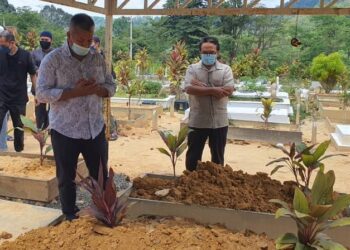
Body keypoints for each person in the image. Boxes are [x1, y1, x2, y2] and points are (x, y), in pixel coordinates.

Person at [36, 14, 116, 221]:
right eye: (81, 40)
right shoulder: (52, 60)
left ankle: (104, 214)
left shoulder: (98, 59)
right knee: (66, 178)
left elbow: (111, 86)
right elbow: (41, 93)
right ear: (69, 35)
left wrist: (99, 89)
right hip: (65, 130)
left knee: (100, 176)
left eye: (89, 40)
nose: (86, 44)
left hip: (94, 128)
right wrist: (73, 92)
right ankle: (70, 215)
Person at [183, 36, 235, 171]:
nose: (208, 55)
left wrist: (201, 88)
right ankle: (190, 183)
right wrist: (214, 89)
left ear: (217, 52)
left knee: (218, 157)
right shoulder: (192, 69)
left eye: (211, 52)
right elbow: (189, 88)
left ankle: (216, 186)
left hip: (219, 121)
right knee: (193, 156)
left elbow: (229, 89)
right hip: (197, 120)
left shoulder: (225, 69)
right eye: (205, 52)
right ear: (200, 52)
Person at [0, 30, 37, 152]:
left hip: (18, 99)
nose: (2, 48)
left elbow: (33, 74)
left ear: (12, 43)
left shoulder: (25, 55)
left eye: (3, 45)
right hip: (2, 96)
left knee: (18, 128)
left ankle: (19, 152)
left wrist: (36, 92)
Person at [90, 35, 118, 141]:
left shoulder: (104, 57)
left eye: (91, 42)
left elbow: (110, 73)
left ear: (97, 44)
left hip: (104, 87)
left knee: (105, 109)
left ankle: (112, 130)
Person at [31, 31, 55, 129]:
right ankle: (40, 127)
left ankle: (50, 127)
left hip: (52, 85)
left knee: (53, 107)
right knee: (39, 107)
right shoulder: (34, 53)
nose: (44, 41)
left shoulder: (56, 53)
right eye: (42, 40)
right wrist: (38, 70)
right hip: (38, 85)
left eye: (46, 40)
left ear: (51, 41)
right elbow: (32, 66)